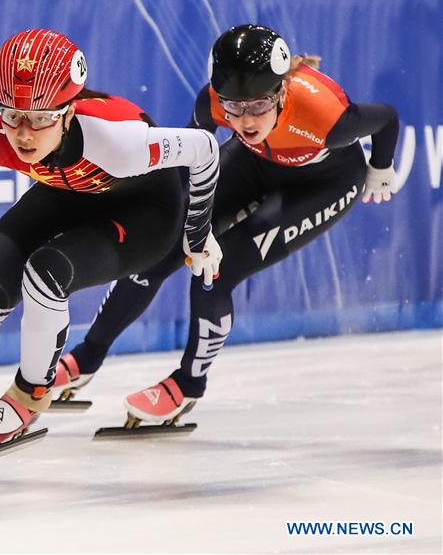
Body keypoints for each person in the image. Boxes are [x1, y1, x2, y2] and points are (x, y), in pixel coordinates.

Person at [0, 28, 222, 460]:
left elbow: (205, 148)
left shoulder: (117, 142)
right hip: (66, 193)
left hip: (143, 212)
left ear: (67, 112)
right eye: (11, 114)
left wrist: (196, 234)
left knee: (46, 272)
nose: (23, 133)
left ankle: (29, 395)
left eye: (40, 117)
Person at [52, 24, 400, 425]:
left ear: (282, 93)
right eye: (234, 107)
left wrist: (381, 166)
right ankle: (88, 355)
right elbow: (184, 166)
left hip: (322, 184)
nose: (245, 120)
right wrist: (176, 219)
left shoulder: (328, 119)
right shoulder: (213, 102)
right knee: (160, 245)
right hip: (255, 163)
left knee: (220, 269)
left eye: (256, 107)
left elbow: (387, 118)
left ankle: (188, 383)